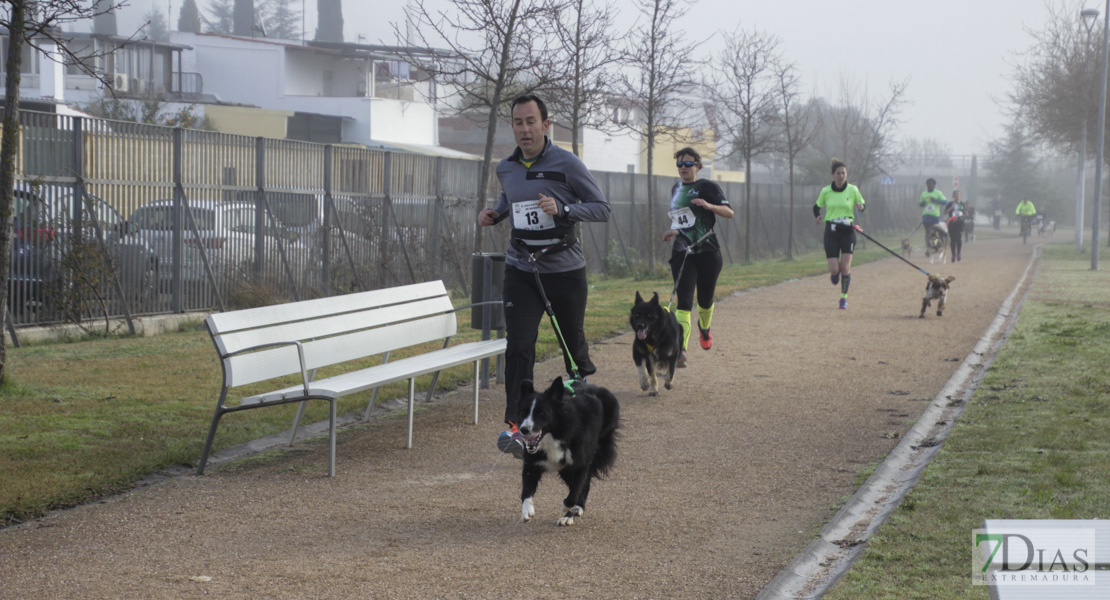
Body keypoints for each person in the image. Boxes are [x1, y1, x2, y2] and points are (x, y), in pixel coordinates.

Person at [477, 94, 610, 455]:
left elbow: (601, 208)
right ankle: (516, 429)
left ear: (546, 125)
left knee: (573, 351)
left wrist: (563, 208)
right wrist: (496, 214)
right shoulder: (506, 167)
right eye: (518, 122)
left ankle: (582, 420)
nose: (524, 129)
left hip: (564, 269)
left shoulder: (567, 164)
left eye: (531, 121)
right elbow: (511, 199)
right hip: (522, 267)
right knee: (519, 347)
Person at [663, 147, 733, 367]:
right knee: (683, 302)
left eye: (688, 164)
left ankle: (704, 329)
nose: (683, 168)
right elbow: (682, 220)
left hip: (708, 251)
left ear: (698, 166)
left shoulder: (707, 187)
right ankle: (681, 350)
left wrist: (708, 205)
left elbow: (729, 212)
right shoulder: (675, 188)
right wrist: (673, 230)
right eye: (679, 164)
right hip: (683, 252)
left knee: (704, 299)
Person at [814, 158, 865, 310]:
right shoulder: (826, 191)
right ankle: (834, 275)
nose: (841, 176)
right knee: (835, 269)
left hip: (848, 231)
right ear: (833, 175)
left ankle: (843, 299)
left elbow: (863, 206)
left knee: (845, 267)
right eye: (838, 173)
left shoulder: (853, 190)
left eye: (844, 173)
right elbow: (816, 207)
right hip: (832, 231)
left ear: (846, 174)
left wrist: (861, 207)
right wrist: (817, 216)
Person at [919, 178, 947, 254]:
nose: (930, 185)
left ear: (934, 185)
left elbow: (945, 202)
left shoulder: (938, 193)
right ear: (926, 185)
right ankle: (928, 248)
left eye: (931, 184)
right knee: (928, 232)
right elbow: (920, 203)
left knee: (935, 231)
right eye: (928, 184)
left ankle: (938, 244)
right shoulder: (923, 194)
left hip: (935, 216)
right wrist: (923, 204)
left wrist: (936, 200)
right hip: (926, 215)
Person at [944, 190, 965, 262]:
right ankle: (953, 254)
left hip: (960, 223)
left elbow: (965, 213)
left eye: (959, 194)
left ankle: (958, 252)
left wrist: (966, 213)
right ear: (953, 196)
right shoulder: (950, 203)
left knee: (958, 238)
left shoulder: (962, 204)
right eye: (955, 194)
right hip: (952, 223)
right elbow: (945, 212)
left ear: (961, 196)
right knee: (952, 240)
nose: (957, 196)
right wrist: (951, 208)